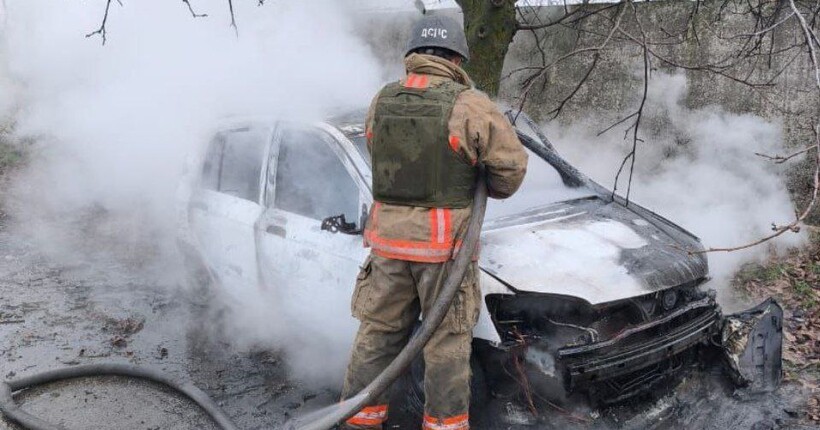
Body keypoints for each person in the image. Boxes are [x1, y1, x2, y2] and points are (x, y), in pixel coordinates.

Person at [341, 13, 528, 430]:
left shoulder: (382, 99)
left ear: (413, 54)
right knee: (445, 343)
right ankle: (443, 426)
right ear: (457, 57)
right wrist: (480, 180)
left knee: (377, 335)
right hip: (444, 254)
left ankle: (357, 419)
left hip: (387, 247)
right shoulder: (471, 105)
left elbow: (380, 158)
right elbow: (511, 170)